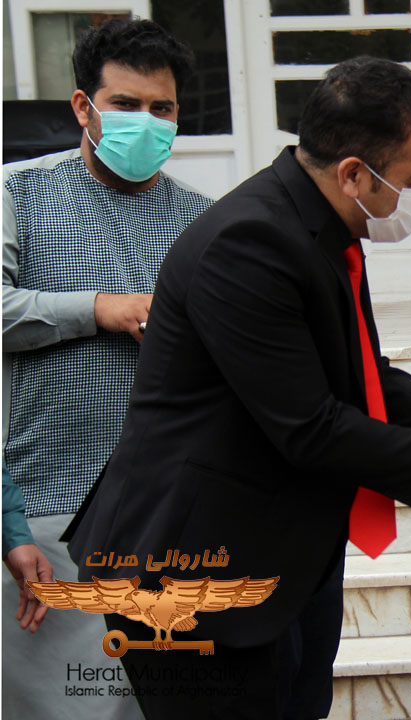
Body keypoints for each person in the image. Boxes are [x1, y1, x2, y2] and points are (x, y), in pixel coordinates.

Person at [62, 56, 411, 719]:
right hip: (191, 573)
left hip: (282, 558)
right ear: (354, 173)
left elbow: (364, 377)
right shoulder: (249, 242)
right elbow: (309, 427)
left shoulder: (322, 225)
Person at [2, 18, 210, 720]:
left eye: (162, 107)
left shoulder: (204, 220)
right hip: (46, 500)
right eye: (125, 104)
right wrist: (99, 309)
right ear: (83, 108)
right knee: (62, 702)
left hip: (167, 511)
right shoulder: (18, 194)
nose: (145, 121)